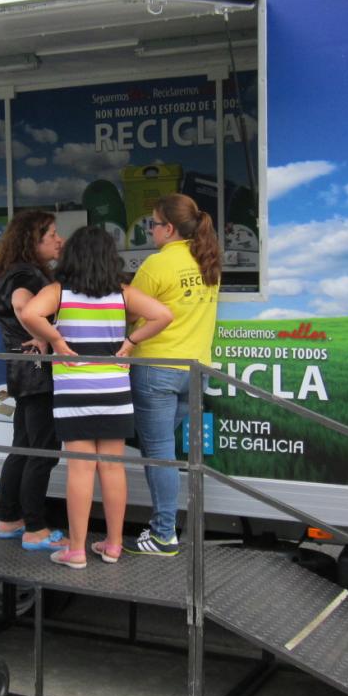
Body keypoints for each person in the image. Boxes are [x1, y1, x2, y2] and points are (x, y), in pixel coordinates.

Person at [19, 226, 172, 568]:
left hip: (75, 392)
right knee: (113, 469)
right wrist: (131, 343)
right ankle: (114, 545)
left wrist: (56, 340)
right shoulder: (122, 293)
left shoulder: (60, 291)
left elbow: (29, 313)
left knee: (80, 470)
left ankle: (76, 550)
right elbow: (164, 315)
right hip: (114, 391)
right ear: (108, 257)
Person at [123, 193, 221, 557]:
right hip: (195, 372)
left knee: (158, 450)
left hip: (157, 370)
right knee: (160, 447)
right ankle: (163, 529)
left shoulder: (157, 265)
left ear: (169, 227)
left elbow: (130, 315)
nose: (150, 229)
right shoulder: (208, 260)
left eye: (153, 223)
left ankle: (164, 534)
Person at [0, 210, 67, 551]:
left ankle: (10, 519)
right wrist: (50, 339)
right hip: (38, 373)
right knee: (42, 451)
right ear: (32, 241)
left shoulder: (13, 272)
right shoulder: (28, 275)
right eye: (51, 234)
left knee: (22, 446)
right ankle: (35, 527)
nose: (59, 240)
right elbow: (24, 308)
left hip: (22, 371)